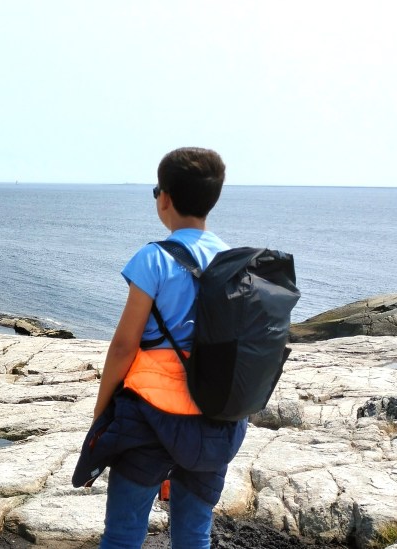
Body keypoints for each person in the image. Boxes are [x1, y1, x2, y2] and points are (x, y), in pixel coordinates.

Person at [94, 147, 248, 549]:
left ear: (164, 198)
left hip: (149, 418)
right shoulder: (233, 261)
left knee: (123, 535)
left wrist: (101, 411)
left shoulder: (154, 259)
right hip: (217, 418)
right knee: (195, 536)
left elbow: (125, 344)